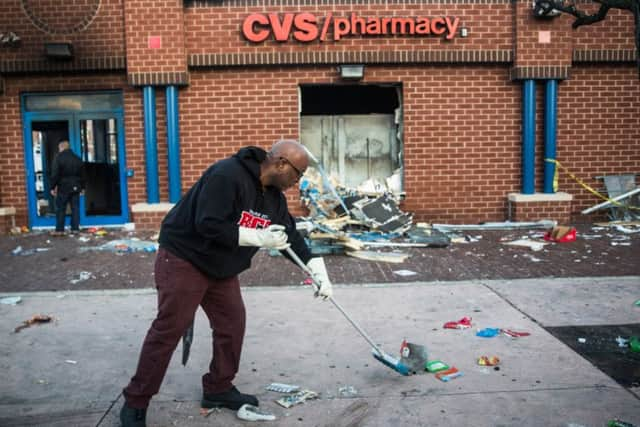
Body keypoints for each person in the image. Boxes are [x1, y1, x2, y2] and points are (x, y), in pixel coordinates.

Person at [120, 140, 333, 427]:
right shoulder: (226, 175)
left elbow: (289, 237)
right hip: (185, 257)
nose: (298, 182)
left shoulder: (274, 199)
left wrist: (316, 269)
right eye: (298, 174)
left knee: (232, 324)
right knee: (170, 329)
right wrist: (258, 237)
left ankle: (218, 388)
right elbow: (207, 223)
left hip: (220, 267)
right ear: (281, 163)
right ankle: (136, 401)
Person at [49, 140, 84, 235]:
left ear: (61, 147)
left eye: (59, 148)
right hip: (76, 187)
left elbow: (55, 174)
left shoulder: (58, 158)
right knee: (75, 208)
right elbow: (82, 175)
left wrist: (52, 187)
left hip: (63, 187)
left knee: (61, 208)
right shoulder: (77, 158)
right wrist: (82, 188)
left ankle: (60, 230)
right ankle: (75, 228)